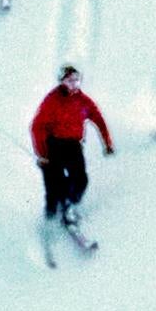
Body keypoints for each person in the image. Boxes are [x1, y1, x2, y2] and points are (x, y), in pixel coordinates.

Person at [31, 64, 113, 228]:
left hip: (73, 145)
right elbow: (36, 126)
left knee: (81, 180)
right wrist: (42, 154)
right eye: (70, 80)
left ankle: (68, 204)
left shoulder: (83, 101)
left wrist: (107, 143)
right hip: (53, 145)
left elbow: (99, 120)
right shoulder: (52, 100)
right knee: (53, 186)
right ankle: (49, 221)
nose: (74, 84)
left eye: (77, 80)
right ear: (62, 81)